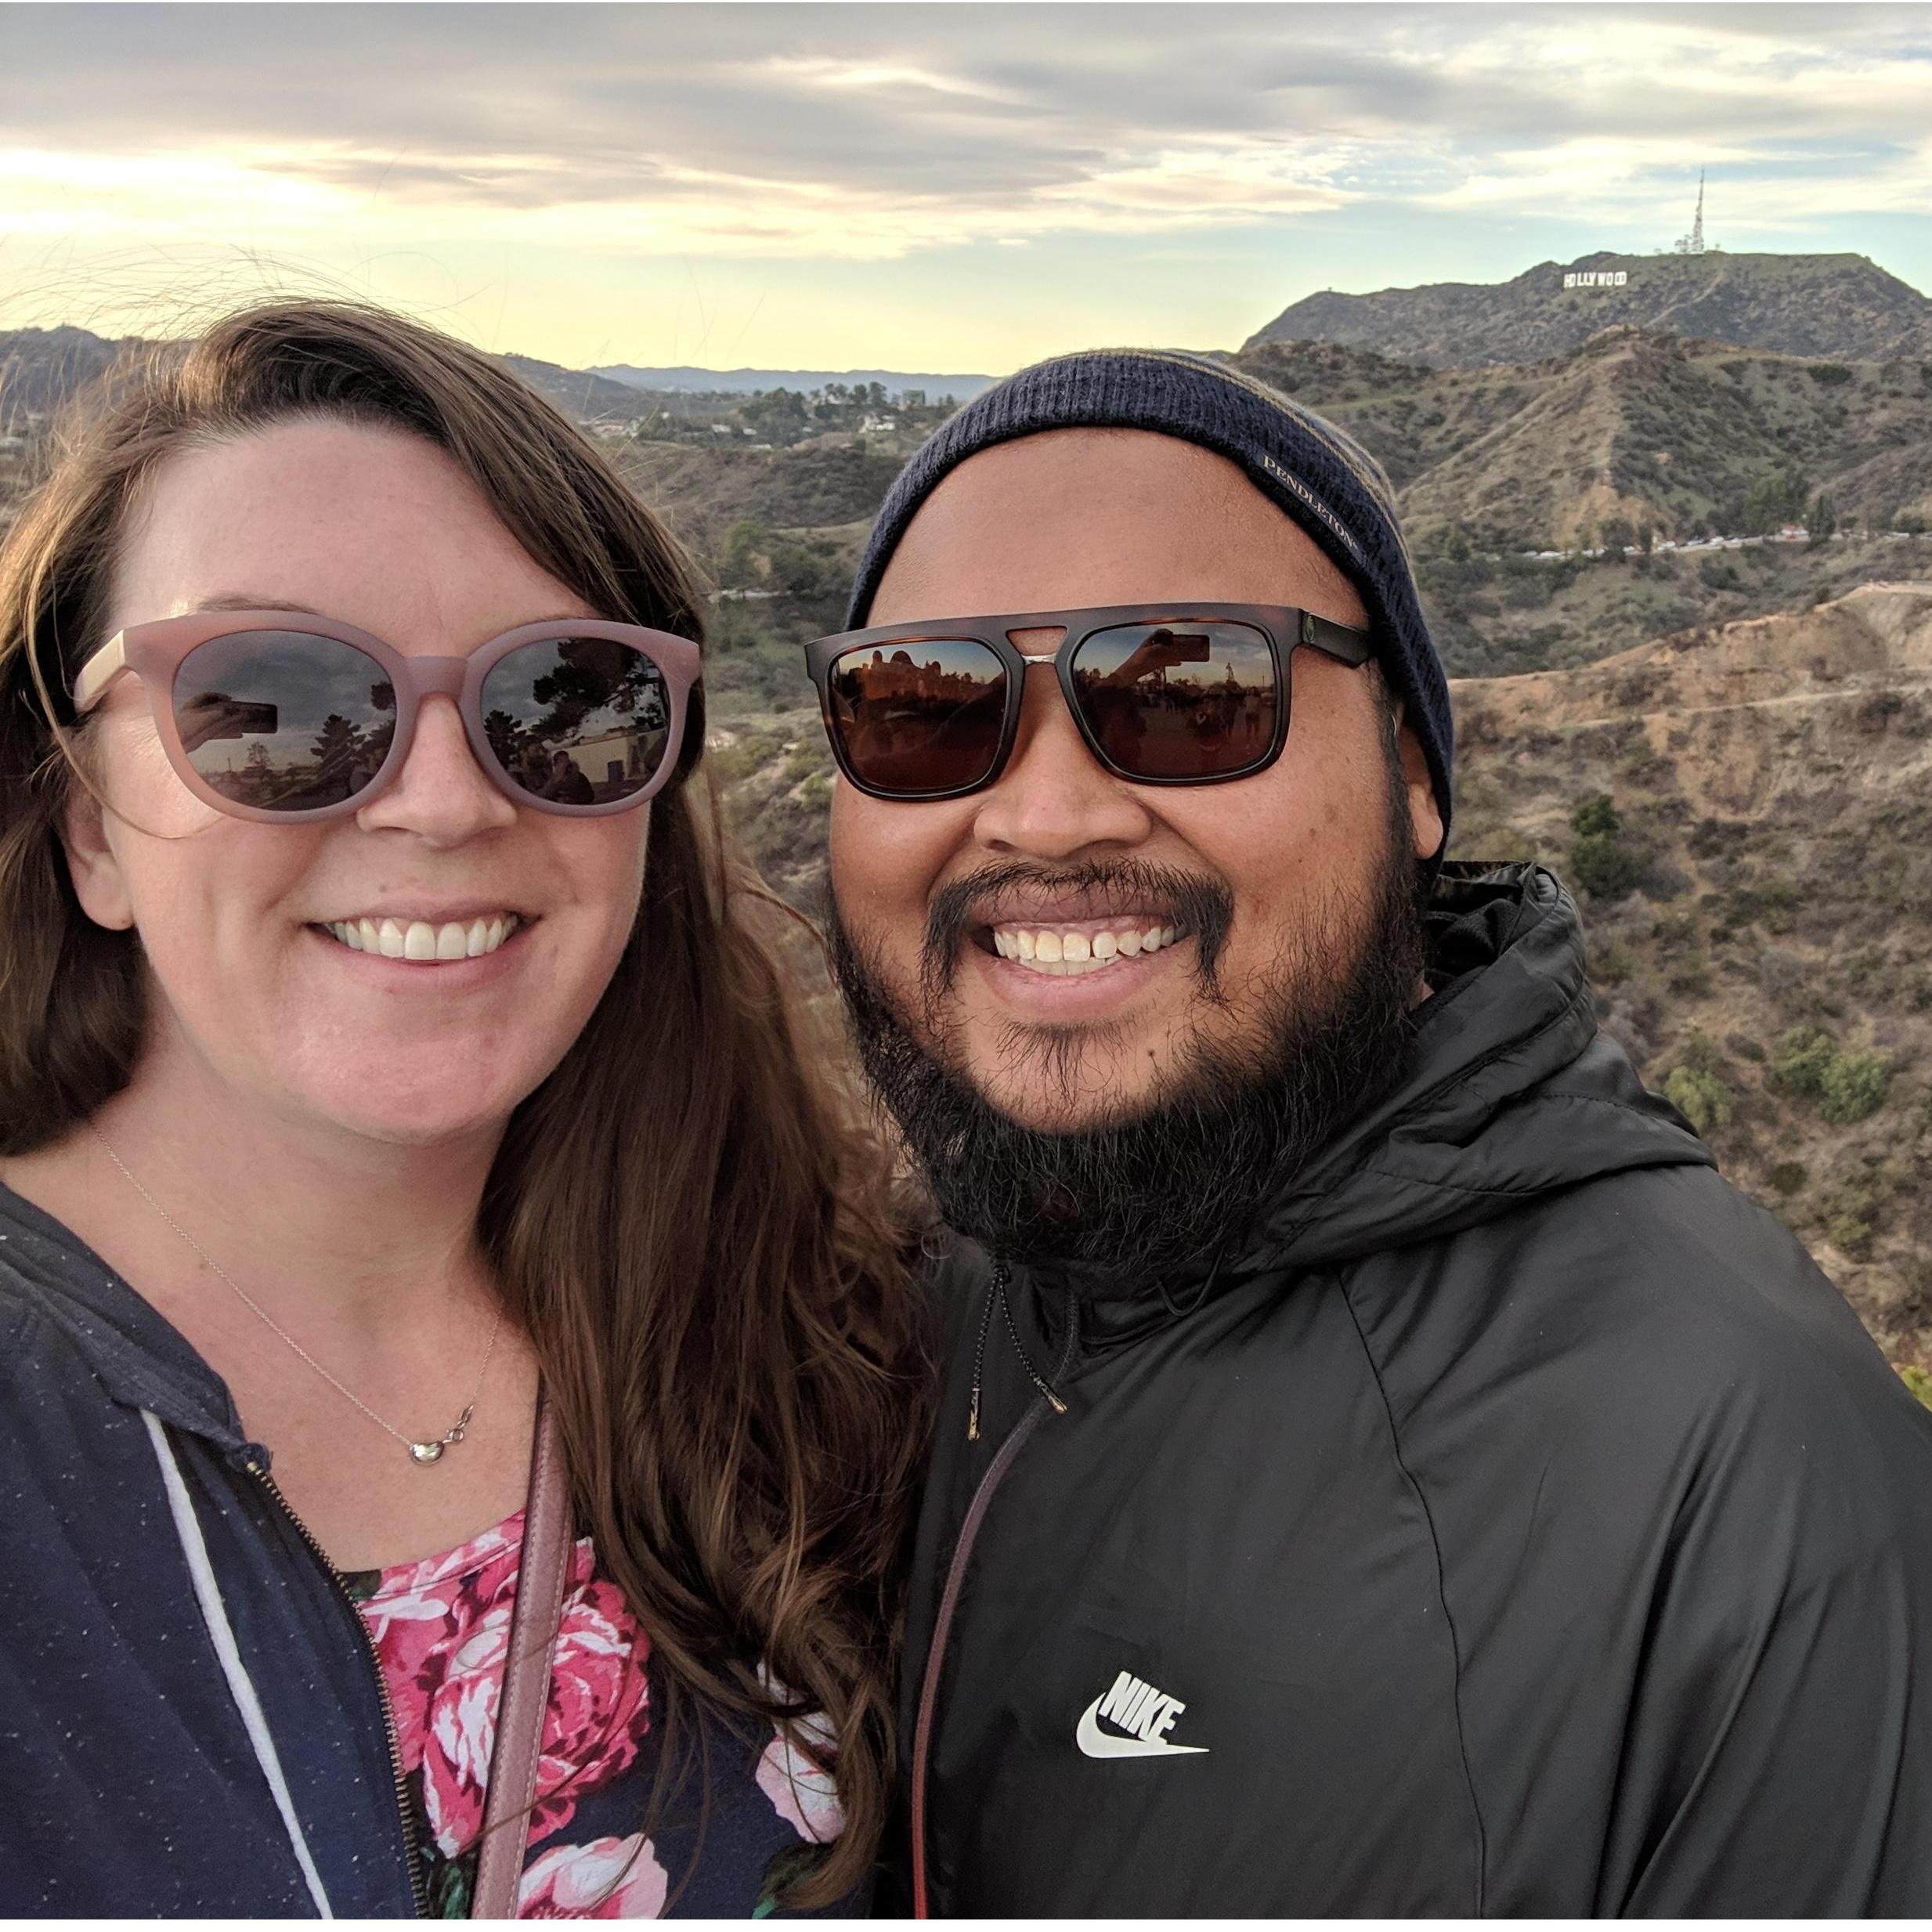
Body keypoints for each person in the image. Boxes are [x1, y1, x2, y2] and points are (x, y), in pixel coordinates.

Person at [804, 349, 1932, 1915]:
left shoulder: (1739, 1482)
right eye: (923, 705)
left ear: (1410, 770)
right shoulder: (866, 1320)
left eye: (1189, 692)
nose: (1045, 812)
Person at [0, 302, 926, 1917]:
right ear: (88, 823)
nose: (440, 800)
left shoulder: (798, 1333)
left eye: (564, 699)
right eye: (272, 702)